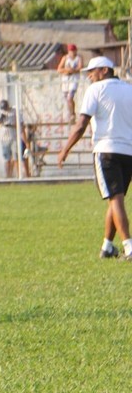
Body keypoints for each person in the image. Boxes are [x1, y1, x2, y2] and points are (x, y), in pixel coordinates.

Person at [58, 56, 132, 260]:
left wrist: (65, 149)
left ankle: (129, 247)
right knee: (115, 199)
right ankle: (107, 247)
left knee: (115, 199)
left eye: (92, 71)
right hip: (128, 152)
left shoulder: (96, 89)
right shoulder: (129, 89)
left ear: (105, 70)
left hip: (106, 150)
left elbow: (81, 124)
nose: (89, 76)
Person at [58, 44, 83, 120]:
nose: (72, 52)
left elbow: (80, 68)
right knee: (67, 98)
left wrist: (73, 70)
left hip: (74, 80)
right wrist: (66, 70)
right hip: (66, 80)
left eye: (73, 51)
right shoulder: (65, 58)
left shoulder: (78, 58)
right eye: (70, 51)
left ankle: (72, 114)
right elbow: (59, 69)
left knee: (70, 97)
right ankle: (71, 113)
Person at [0, 100, 18, 179]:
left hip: (14, 137)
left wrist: (11, 125)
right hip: (4, 139)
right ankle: (8, 176)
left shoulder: (14, 111)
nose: (5, 109)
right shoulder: (1, 113)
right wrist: (0, 119)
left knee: (15, 157)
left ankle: (16, 175)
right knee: (7, 158)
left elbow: (19, 124)